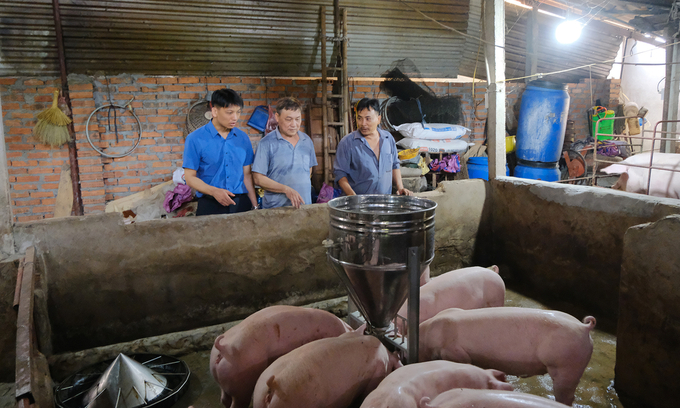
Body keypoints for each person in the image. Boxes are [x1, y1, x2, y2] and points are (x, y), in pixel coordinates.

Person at [183, 88, 258, 216]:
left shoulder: (243, 138)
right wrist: (214, 192)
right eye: (229, 112)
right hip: (210, 204)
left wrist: (255, 207)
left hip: (241, 204)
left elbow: (247, 175)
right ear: (215, 111)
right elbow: (190, 177)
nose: (235, 117)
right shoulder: (195, 139)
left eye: (238, 112)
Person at [333, 98, 413, 196]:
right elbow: (340, 174)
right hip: (358, 205)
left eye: (368, 118)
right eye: (359, 118)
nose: (363, 124)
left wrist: (400, 188)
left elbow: (395, 165)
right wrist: (353, 197)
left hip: (384, 203)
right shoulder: (347, 143)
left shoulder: (388, 139)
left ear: (378, 119)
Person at [252, 97, 317, 209]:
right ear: (277, 117)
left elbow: (308, 171)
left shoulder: (307, 141)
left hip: (303, 208)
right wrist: (285, 189)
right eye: (288, 119)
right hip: (276, 210)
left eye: (297, 119)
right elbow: (258, 178)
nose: (294, 124)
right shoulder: (266, 143)